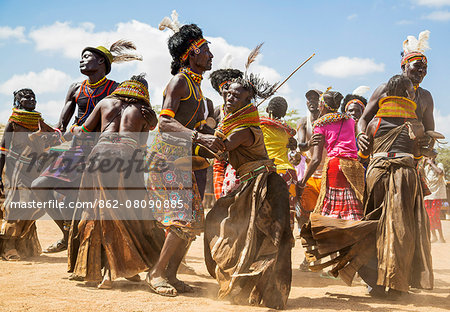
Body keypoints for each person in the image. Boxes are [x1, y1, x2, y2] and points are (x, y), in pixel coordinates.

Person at [302, 75, 433, 299]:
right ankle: (398, 281)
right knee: (403, 229)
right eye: (411, 92)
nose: (414, 94)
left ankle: (375, 280)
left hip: (377, 175)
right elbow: (420, 154)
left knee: (373, 225)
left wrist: (365, 138)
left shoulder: (374, 123)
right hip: (405, 176)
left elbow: (364, 153)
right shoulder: (416, 126)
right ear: (406, 96)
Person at [31, 40, 143, 254]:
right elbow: (61, 126)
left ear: (101, 61)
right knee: (39, 185)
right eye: (81, 57)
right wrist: (48, 132)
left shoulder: (116, 89)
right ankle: (66, 233)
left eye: (86, 56)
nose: (81, 60)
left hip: (103, 151)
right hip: (76, 149)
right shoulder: (76, 88)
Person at [145, 21, 222, 297]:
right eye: (206, 50)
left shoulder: (199, 91)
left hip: (182, 161)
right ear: (190, 54)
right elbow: (165, 125)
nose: (211, 56)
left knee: (192, 220)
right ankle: (156, 273)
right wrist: (201, 139)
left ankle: (172, 274)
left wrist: (211, 147)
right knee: (181, 218)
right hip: (165, 160)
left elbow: (191, 133)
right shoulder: (179, 82)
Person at [204, 72, 293, 309]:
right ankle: (245, 289)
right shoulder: (236, 123)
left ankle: (267, 294)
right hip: (250, 184)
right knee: (240, 233)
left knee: (266, 238)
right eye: (228, 93)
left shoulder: (244, 130)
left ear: (248, 99)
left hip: (267, 186)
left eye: (237, 94)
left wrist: (195, 134)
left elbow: (221, 147)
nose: (230, 97)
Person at [68, 74, 163, 288]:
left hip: (99, 156)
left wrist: (71, 129)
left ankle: (103, 270)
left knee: (98, 213)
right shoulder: (145, 112)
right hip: (126, 159)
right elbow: (141, 147)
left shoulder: (105, 102)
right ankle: (115, 270)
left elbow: (83, 132)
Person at [0, 89, 57, 260]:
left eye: (33, 97)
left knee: (36, 206)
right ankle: (8, 246)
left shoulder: (39, 122)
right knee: (17, 206)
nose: (31, 99)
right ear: (18, 101)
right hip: (14, 170)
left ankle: (19, 242)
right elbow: (3, 151)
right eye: (26, 97)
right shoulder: (14, 123)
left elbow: (54, 139)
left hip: (34, 171)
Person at [357, 30, 434, 152]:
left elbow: (430, 131)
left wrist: (428, 140)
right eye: (417, 66)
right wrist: (361, 135)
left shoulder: (425, 96)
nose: (421, 71)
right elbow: (364, 118)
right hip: (381, 153)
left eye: (424, 68)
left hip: (410, 156)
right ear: (404, 67)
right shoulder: (384, 89)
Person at [298, 89, 365, 221]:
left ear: (322, 106)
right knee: (352, 208)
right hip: (354, 166)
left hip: (335, 167)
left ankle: (334, 237)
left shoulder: (320, 125)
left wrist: (302, 182)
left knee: (335, 212)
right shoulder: (351, 121)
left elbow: (316, 159)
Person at [260, 96, 298, 229]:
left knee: (265, 212)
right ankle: (288, 239)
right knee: (288, 211)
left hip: (268, 172)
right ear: (284, 114)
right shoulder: (287, 131)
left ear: (266, 109)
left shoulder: (259, 127)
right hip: (288, 173)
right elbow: (294, 146)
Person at [209, 68, 243, 199]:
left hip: (241, 161)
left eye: (232, 88)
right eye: (226, 88)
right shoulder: (217, 112)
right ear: (220, 91)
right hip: (219, 161)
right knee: (221, 201)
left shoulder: (244, 111)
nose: (229, 92)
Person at [424, 155, 446, 243]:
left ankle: (441, 237)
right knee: (428, 216)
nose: (429, 158)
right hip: (428, 195)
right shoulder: (426, 168)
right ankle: (434, 236)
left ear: (435, 157)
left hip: (436, 194)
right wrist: (424, 164)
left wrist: (431, 163)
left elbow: (440, 172)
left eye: (430, 157)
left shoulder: (439, 165)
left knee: (435, 215)